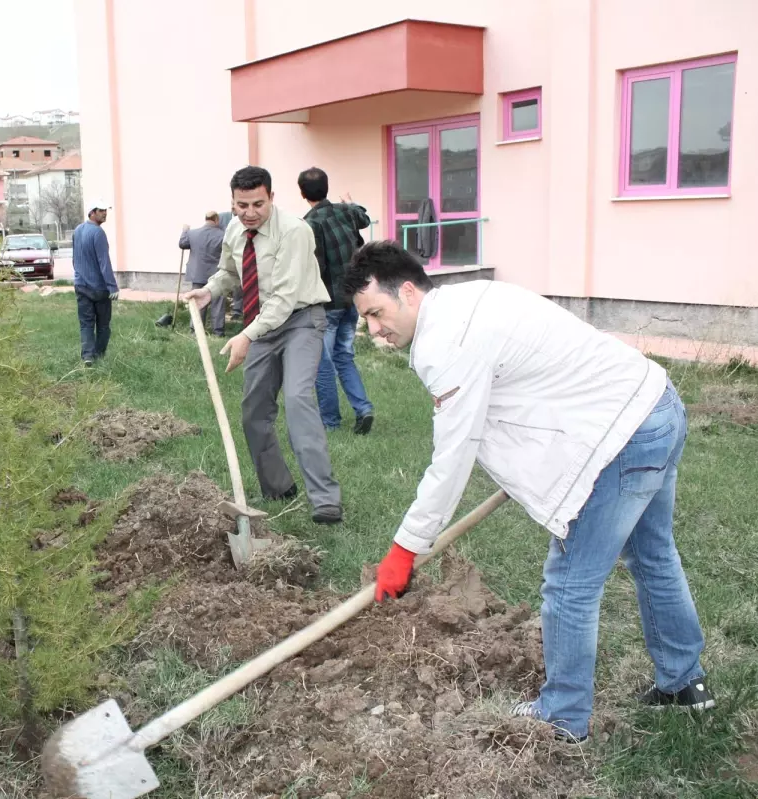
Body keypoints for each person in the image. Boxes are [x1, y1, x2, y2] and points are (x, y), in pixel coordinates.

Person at [345, 241, 712, 743]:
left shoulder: (445, 343)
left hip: (619, 437)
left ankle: (563, 717)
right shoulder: (469, 299)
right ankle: (684, 682)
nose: (374, 330)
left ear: (407, 291)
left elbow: (453, 457)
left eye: (376, 313)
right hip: (655, 403)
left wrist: (406, 546)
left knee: (570, 584)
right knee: (652, 554)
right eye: (365, 319)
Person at [184, 167, 342, 524]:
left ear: (272, 197)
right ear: (233, 203)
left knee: (299, 399)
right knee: (254, 412)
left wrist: (245, 336)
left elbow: (285, 298)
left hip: (301, 320)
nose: (250, 212)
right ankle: (277, 488)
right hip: (261, 326)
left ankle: (325, 499)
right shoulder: (234, 229)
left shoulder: (295, 232)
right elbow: (228, 272)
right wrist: (210, 290)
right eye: (242, 205)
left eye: (258, 203)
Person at [298, 167, 375, 435]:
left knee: (323, 363)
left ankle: (330, 422)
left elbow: (316, 267)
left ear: (302, 193)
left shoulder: (309, 224)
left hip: (328, 304)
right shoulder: (346, 212)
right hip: (352, 300)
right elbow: (364, 217)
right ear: (327, 187)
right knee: (344, 356)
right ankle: (363, 408)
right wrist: (350, 202)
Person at [71, 199, 119, 366]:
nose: (105, 213)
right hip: (99, 288)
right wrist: (112, 286)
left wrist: (77, 277)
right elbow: (104, 261)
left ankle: (87, 356)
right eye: (101, 210)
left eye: (106, 210)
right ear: (92, 212)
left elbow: (75, 258)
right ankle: (98, 355)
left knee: (86, 324)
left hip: (81, 285)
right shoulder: (98, 233)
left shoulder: (77, 230)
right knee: (103, 325)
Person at [178, 211, 226, 336]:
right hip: (216, 274)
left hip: (197, 274)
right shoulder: (223, 235)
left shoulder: (192, 233)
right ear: (216, 220)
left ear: (205, 219)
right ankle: (218, 332)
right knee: (218, 303)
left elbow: (182, 244)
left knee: (198, 302)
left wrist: (184, 231)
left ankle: (195, 331)